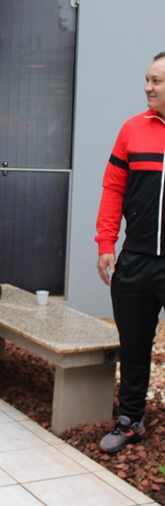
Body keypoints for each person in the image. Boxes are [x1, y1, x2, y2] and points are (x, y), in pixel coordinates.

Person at [95, 51, 165, 454]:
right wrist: (106, 243)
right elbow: (113, 188)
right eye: (147, 79)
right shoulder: (132, 130)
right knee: (134, 347)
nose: (147, 88)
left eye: (156, 81)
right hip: (136, 260)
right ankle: (131, 420)